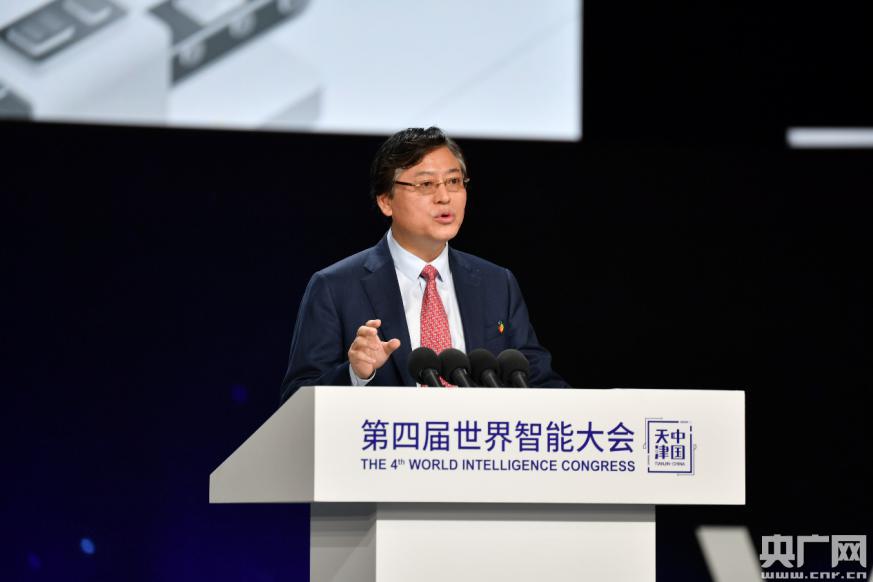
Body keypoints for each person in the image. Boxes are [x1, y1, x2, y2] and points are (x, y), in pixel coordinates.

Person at [280, 127, 567, 403]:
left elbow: (540, 382)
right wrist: (355, 374)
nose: (444, 197)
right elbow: (296, 401)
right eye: (426, 184)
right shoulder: (335, 287)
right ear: (386, 201)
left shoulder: (497, 283)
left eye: (454, 181)